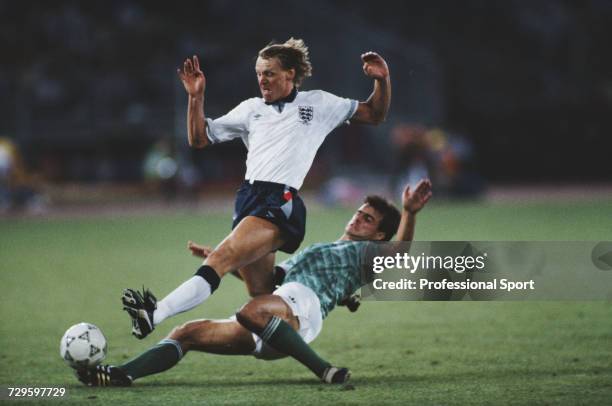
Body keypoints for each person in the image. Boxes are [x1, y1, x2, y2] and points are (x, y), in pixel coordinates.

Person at [122, 38, 392, 339]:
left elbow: (375, 114)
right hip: (248, 198)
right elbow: (199, 139)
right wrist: (195, 97)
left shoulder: (319, 103)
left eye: (270, 73)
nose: (262, 79)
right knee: (262, 289)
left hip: (280, 200)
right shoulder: (250, 110)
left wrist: (382, 80)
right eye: (259, 73)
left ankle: (154, 313)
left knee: (220, 260)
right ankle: (337, 291)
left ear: (290, 74)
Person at [76, 180, 432, 387]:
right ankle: (122, 375)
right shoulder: (320, 251)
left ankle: (324, 369)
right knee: (187, 332)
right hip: (276, 314)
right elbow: (268, 280)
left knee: (249, 310)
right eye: (359, 212)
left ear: (379, 233)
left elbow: (399, 251)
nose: (358, 219)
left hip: (300, 309)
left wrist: (411, 213)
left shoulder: (365, 254)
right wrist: (221, 260)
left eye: (368, 219)